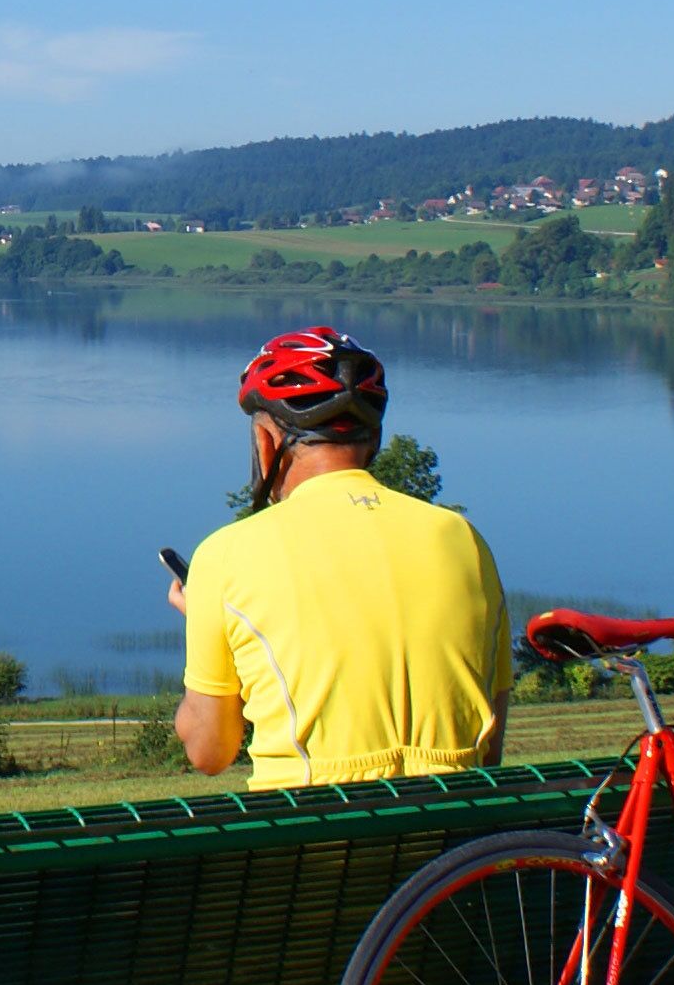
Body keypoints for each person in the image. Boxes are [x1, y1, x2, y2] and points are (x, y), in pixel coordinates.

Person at [164, 325, 510, 789]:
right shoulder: (463, 538)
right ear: (375, 439)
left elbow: (208, 751)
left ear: (266, 443)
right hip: (453, 847)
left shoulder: (225, 556)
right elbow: (490, 746)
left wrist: (203, 620)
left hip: (313, 847)